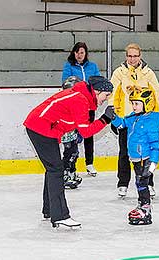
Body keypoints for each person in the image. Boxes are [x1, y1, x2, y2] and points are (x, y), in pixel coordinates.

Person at [24, 76, 115, 228]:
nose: (105, 100)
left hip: (42, 128)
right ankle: (60, 216)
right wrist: (105, 119)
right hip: (40, 128)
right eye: (106, 96)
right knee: (56, 170)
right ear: (97, 91)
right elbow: (86, 132)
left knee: (53, 169)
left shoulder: (80, 96)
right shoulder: (80, 99)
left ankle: (49, 211)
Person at [109, 43, 159, 198]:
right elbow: (112, 95)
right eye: (129, 56)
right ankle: (123, 183)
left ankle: (148, 182)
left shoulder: (148, 73)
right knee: (124, 152)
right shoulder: (119, 73)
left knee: (146, 153)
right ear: (126, 56)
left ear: (140, 56)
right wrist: (114, 117)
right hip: (126, 120)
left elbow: (155, 95)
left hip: (145, 120)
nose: (132, 59)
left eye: (135, 56)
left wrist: (157, 118)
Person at [111, 86, 159, 225]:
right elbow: (121, 125)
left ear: (147, 103)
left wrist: (151, 167)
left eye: (137, 103)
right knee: (139, 183)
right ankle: (142, 205)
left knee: (142, 183)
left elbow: (155, 145)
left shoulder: (151, 121)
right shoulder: (133, 118)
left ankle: (146, 209)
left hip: (145, 159)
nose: (133, 106)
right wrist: (113, 117)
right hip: (135, 158)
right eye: (132, 103)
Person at [62, 42, 101, 177]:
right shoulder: (69, 66)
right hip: (74, 106)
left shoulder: (93, 67)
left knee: (88, 133)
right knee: (72, 135)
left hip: (89, 105)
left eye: (82, 52)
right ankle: (71, 165)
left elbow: (98, 82)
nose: (79, 55)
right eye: (77, 52)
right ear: (74, 53)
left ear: (86, 54)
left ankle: (89, 163)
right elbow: (66, 83)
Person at [61, 76, 83, 189]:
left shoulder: (78, 103)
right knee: (70, 153)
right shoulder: (64, 104)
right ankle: (65, 173)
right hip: (66, 133)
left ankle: (71, 172)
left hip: (73, 132)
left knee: (74, 152)